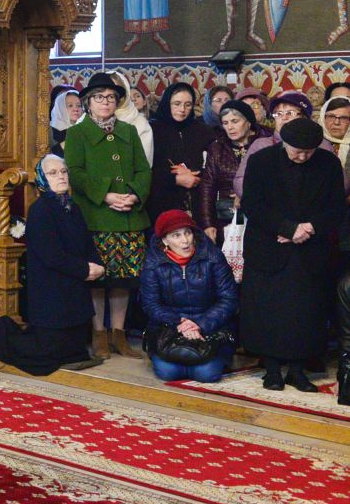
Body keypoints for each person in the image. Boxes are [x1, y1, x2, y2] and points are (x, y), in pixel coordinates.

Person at [240, 117, 341, 391]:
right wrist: (287, 228)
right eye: (297, 151)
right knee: (269, 310)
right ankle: (272, 369)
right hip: (269, 247)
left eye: (309, 152)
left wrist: (309, 228)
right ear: (284, 143)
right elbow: (252, 204)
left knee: (305, 312)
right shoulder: (261, 161)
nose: (303, 156)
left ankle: (298, 371)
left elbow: (336, 208)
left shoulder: (328, 164)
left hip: (310, 249)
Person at [0, 155, 105, 373]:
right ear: (42, 179)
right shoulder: (40, 210)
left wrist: (97, 265)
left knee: (75, 349)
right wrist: (85, 269)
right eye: (53, 173)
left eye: (63, 172)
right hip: (52, 290)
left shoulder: (73, 207)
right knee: (45, 355)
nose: (61, 177)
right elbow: (51, 256)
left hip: (74, 286)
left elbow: (86, 242)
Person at [64, 72, 151, 359]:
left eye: (111, 97)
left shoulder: (129, 131)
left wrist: (134, 194)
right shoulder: (77, 133)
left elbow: (144, 170)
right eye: (100, 97)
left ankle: (119, 334)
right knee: (98, 278)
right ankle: (99, 334)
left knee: (123, 279)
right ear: (88, 102)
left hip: (129, 216)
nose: (106, 101)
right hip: (96, 216)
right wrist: (106, 195)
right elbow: (75, 173)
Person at [139, 209, 238, 384]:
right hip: (170, 327)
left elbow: (228, 298)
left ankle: (199, 362)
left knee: (206, 375)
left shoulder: (212, 256)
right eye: (176, 235)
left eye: (187, 233)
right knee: (168, 373)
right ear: (164, 240)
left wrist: (200, 325)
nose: (185, 240)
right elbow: (150, 304)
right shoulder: (153, 262)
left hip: (210, 326)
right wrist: (180, 323)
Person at [148, 81, 215, 226]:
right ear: (167, 103)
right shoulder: (151, 131)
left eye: (188, 105)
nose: (182, 110)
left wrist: (194, 175)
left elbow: (213, 166)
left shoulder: (203, 131)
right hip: (162, 204)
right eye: (176, 104)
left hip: (198, 205)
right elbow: (145, 171)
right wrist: (175, 179)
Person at [232, 91, 314, 198]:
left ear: (304, 117)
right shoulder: (261, 145)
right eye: (278, 114)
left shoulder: (319, 144)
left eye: (290, 113)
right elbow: (240, 180)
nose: (284, 118)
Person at [199, 99, 256, 245]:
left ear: (248, 122)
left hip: (258, 215)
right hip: (226, 216)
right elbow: (207, 186)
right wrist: (208, 223)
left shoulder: (262, 144)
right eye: (225, 123)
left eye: (235, 121)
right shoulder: (217, 148)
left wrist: (245, 193)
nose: (230, 127)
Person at [49, 87, 82, 152]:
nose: (76, 109)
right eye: (70, 105)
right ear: (60, 108)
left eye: (79, 105)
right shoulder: (48, 131)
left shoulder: (86, 127)